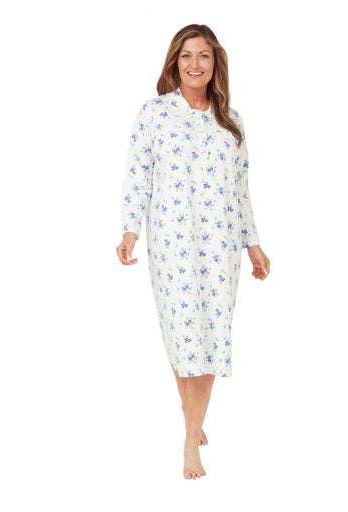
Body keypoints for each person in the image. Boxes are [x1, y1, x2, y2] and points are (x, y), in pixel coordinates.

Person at [116, 24, 270, 480]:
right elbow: (138, 175)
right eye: (186, 55)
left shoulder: (231, 121)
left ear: (215, 62)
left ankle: (190, 435)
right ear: (175, 62)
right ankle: (192, 420)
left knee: (210, 337)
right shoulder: (154, 113)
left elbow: (241, 189)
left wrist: (254, 244)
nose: (195, 64)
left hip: (221, 245)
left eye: (203, 55)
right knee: (182, 334)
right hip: (172, 244)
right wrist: (129, 232)